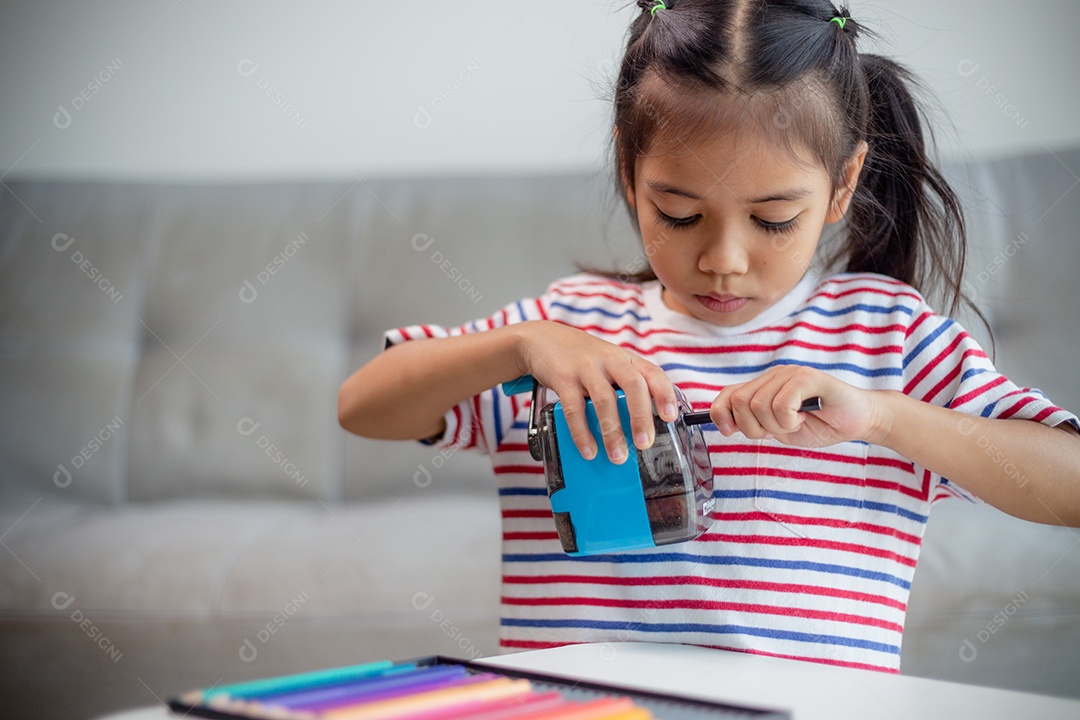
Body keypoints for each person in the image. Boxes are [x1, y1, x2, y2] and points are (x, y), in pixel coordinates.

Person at [338, 0, 1080, 672]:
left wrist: (884, 417)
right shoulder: (566, 333)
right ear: (631, 177)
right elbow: (363, 406)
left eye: (772, 219)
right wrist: (518, 344)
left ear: (844, 185)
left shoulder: (888, 337)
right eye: (681, 214)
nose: (723, 261)